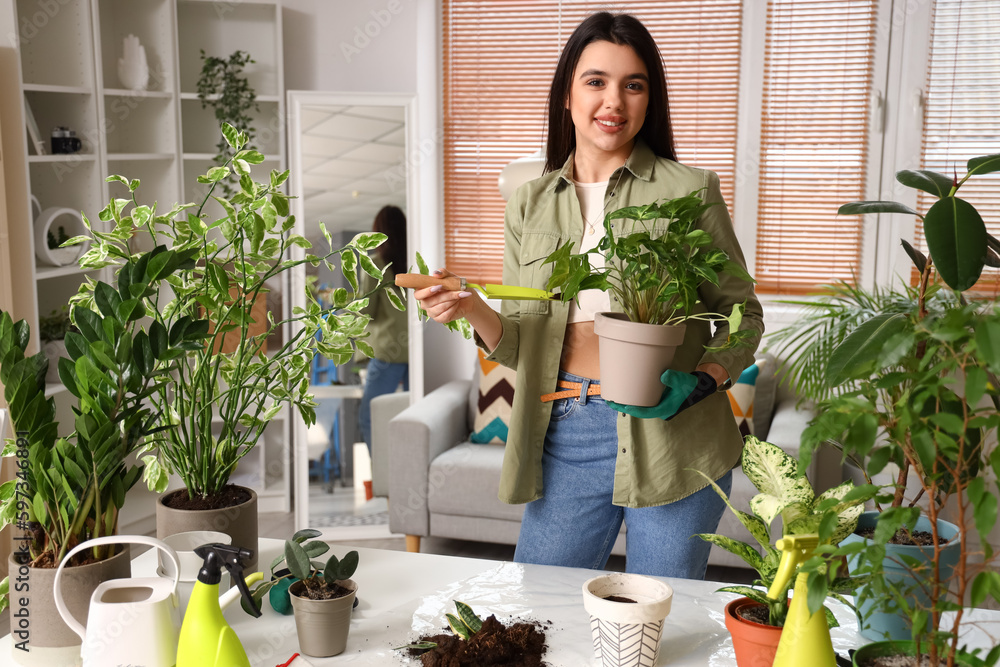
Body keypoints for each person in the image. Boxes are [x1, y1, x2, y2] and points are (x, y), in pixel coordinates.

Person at [414, 12, 763, 579]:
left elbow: (743, 311)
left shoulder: (688, 191)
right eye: (596, 81)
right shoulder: (528, 202)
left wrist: (707, 379)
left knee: (656, 629)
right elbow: (522, 346)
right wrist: (470, 306)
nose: (614, 102)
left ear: (650, 100)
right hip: (565, 427)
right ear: (567, 96)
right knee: (542, 611)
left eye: (634, 84)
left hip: (674, 434)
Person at [358, 205, 409, 452]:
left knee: (370, 417)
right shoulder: (415, 263)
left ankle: (384, 477)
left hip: (388, 352)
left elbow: (365, 311)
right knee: (414, 419)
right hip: (417, 353)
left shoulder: (375, 264)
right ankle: (406, 475)